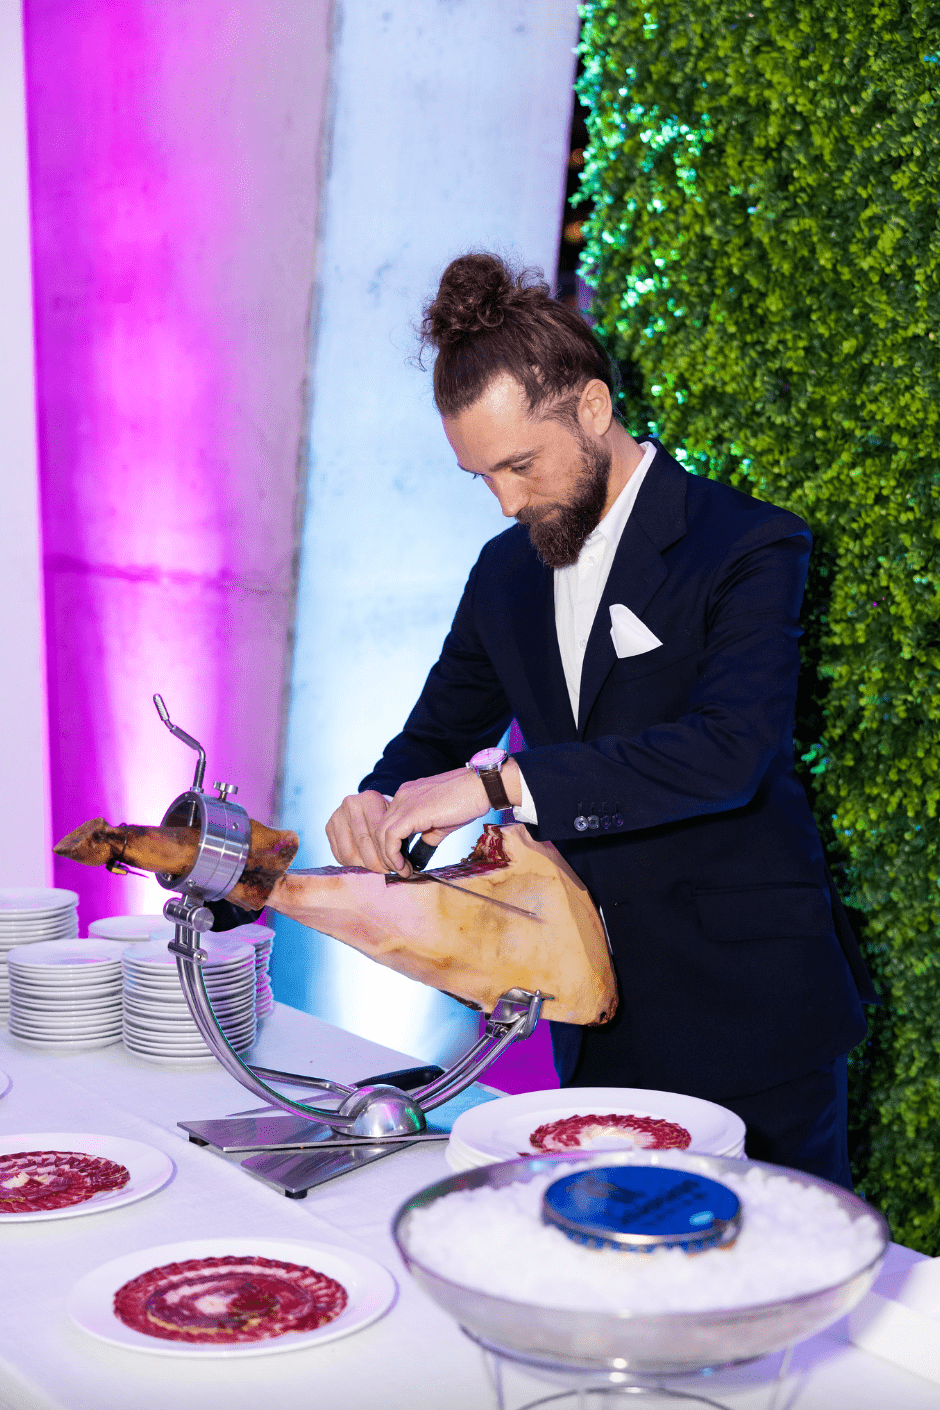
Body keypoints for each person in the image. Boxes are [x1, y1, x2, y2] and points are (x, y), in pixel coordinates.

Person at [325, 252, 877, 1188]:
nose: (505, 502)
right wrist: (374, 802)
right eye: (480, 478)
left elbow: (729, 751)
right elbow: (432, 737)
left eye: (519, 465)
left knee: (764, 1292)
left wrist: (498, 784)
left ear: (590, 407)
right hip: (592, 1006)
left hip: (751, 1012)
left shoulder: (748, 541)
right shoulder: (505, 573)